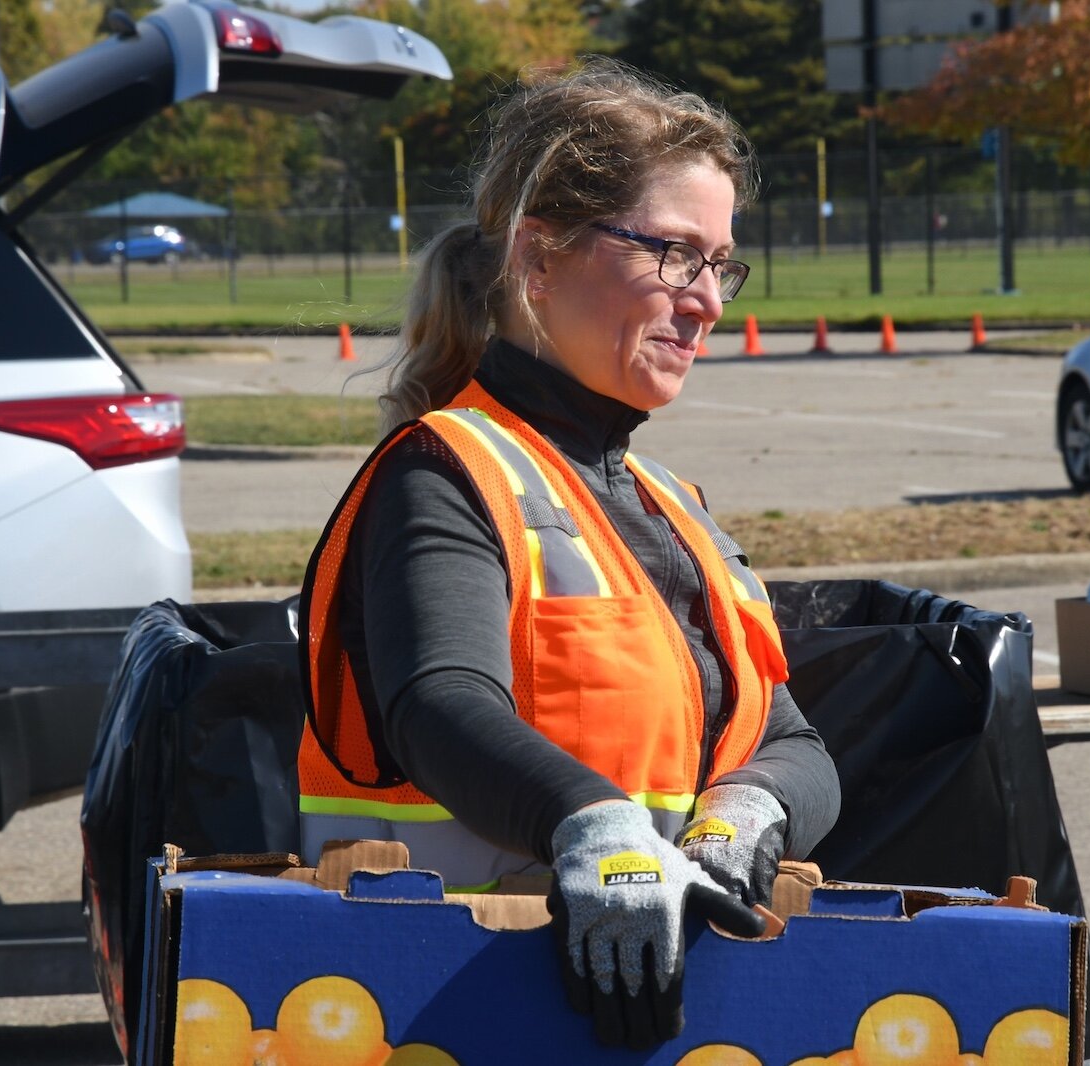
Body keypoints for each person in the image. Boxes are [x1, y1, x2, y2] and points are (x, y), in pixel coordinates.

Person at [298, 59, 841, 1049]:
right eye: (676, 254)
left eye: (721, 264)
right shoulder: (443, 470)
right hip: (453, 1006)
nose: (709, 300)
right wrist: (593, 824)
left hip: (657, 1010)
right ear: (538, 259)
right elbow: (440, 706)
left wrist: (745, 815)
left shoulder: (674, 505)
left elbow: (792, 739)